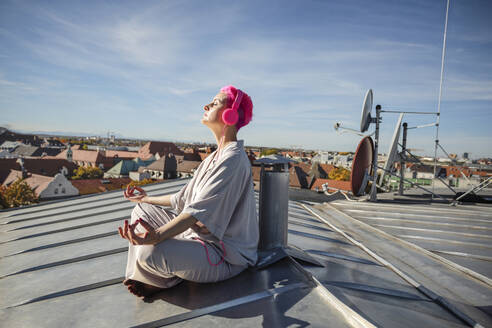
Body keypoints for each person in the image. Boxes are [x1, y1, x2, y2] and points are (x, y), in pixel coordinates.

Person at [118, 85, 259, 298]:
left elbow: (195, 212)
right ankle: (150, 276)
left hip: (223, 255)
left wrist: (156, 236)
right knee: (141, 210)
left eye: (215, 102)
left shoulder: (232, 159)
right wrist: (145, 197)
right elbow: (181, 199)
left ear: (230, 114)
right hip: (198, 238)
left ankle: (162, 279)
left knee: (151, 252)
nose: (206, 105)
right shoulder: (215, 156)